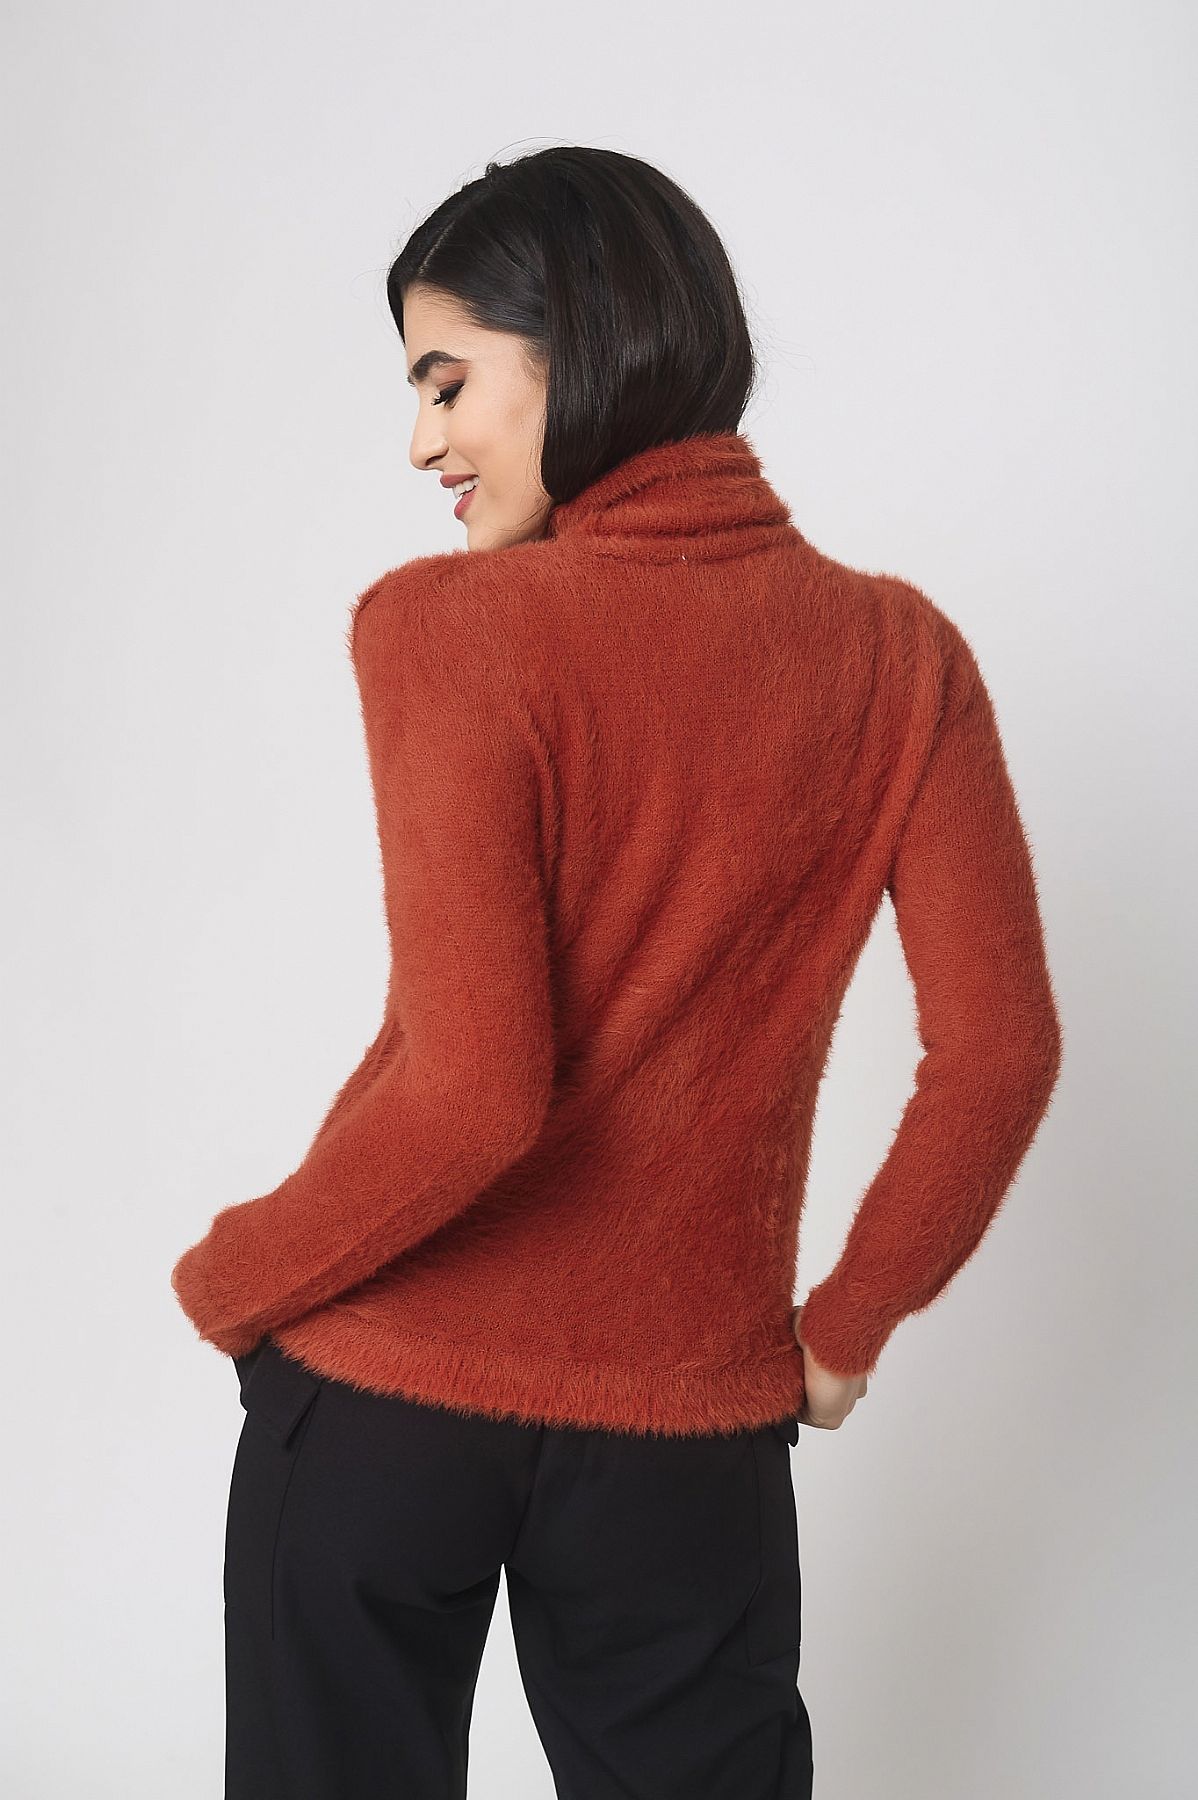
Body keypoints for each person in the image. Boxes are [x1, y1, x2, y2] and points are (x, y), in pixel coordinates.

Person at [171, 144, 1063, 1800]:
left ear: (576, 344)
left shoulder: (446, 627)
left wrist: (235, 1278)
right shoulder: (900, 657)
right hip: (687, 1432)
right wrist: (842, 1330)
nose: (421, 442)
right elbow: (999, 1052)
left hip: (385, 1400)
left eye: (446, 381)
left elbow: (474, 1093)